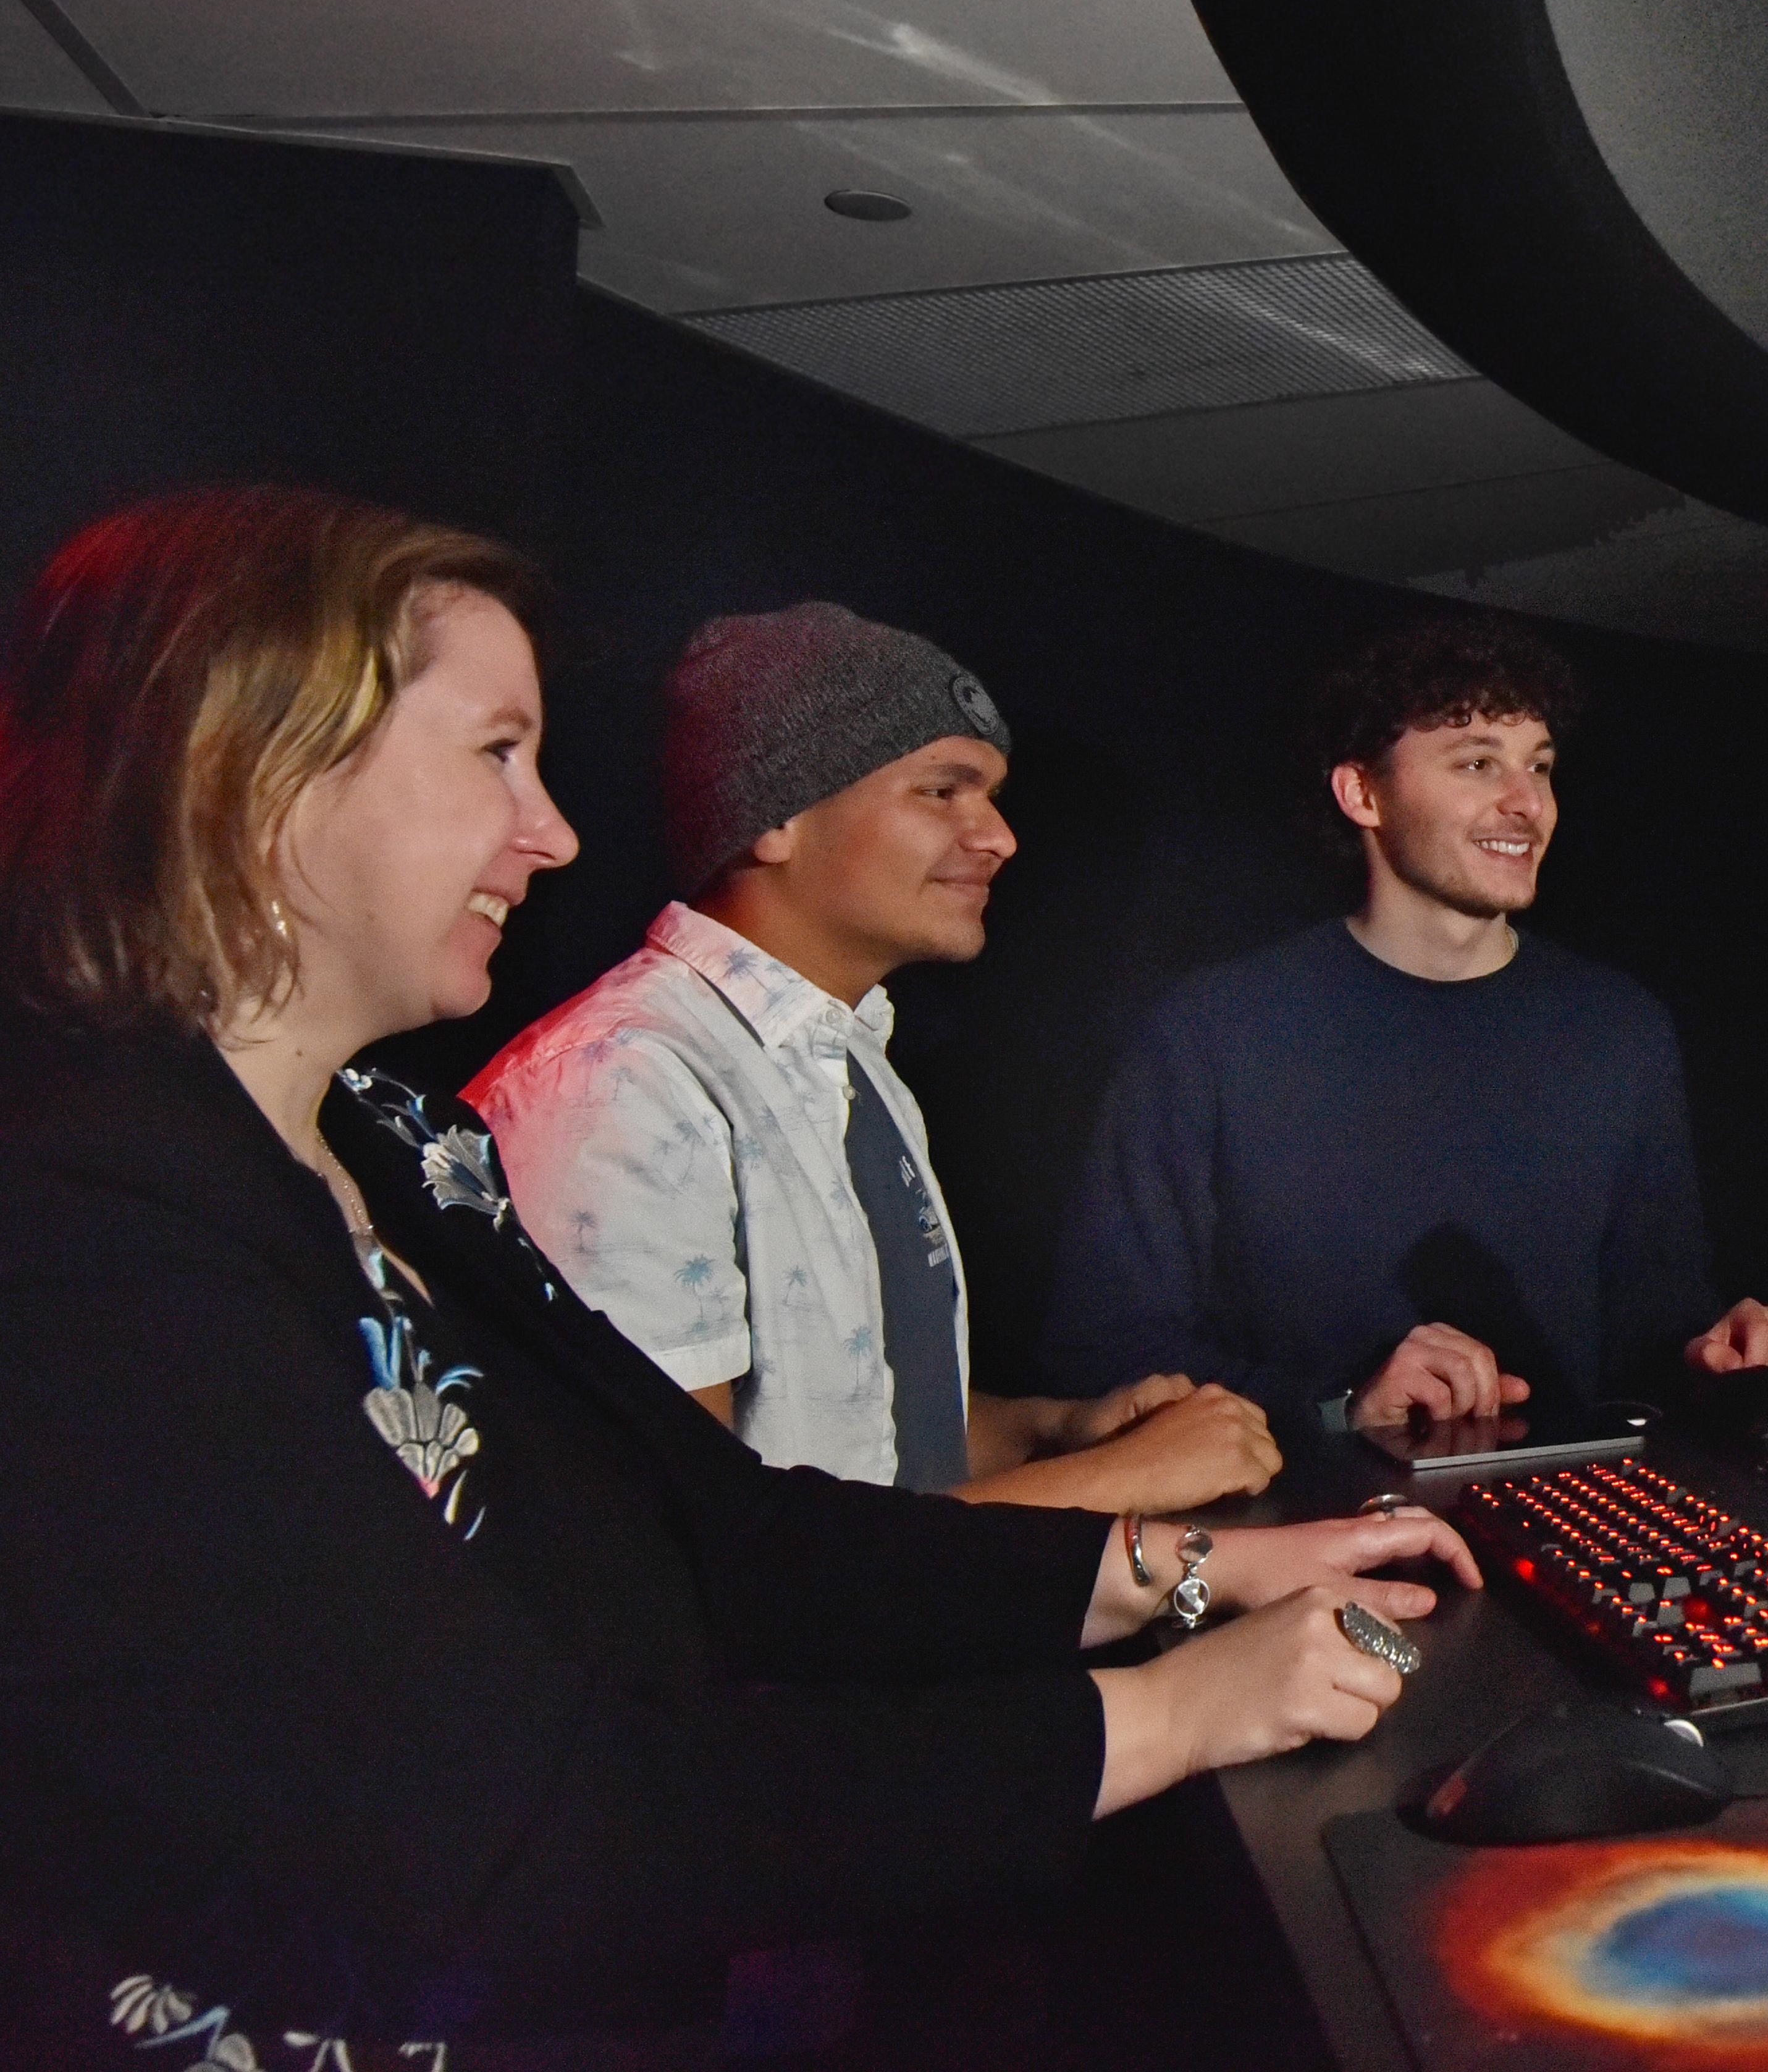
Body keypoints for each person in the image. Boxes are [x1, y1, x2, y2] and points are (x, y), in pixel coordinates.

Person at [0, 488, 1470, 2066]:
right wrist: (1178, 1706)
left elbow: (720, 1525)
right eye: (495, 752)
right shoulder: (83, 1224)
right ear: (252, 763)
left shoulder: (398, 1147)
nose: (553, 830)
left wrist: (1191, 1565)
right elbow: (524, 1818)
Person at [469, 601, 1276, 1513]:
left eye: (994, 797)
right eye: (943, 790)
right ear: (773, 816)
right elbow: (677, 1542)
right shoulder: (620, 1083)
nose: (999, 837)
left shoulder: (851, 1066)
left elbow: (860, 1441)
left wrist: (1056, 1432)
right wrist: (1109, 1485)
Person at [1043, 612, 1768, 1430]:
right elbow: (1098, 1350)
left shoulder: (1622, 1030)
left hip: (1559, 1526)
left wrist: (1716, 1355)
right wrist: (1339, 1406)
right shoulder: (1211, 1032)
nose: (1527, 804)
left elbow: (1654, 1328)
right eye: (1478, 764)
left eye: (1541, 768)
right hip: (1304, 1531)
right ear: (1363, 793)